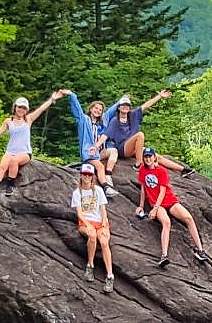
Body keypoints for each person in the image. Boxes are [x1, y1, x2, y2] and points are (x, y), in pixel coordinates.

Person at [0, 90, 64, 200]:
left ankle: (10, 185)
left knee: (13, 161)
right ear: (15, 107)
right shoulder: (9, 121)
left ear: (26, 110)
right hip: (10, 151)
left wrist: (52, 99)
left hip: (24, 152)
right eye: (19, 107)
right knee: (2, 166)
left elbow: (41, 109)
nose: (21, 110)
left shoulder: (28, 119)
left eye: (24, 108)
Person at [135, 147, 208, 265]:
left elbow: (163, 191)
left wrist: (155, 208)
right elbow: (143, 188)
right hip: (156, 204)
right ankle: (164, 255)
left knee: (188, 218)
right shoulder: (143, 170)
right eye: (146, 157)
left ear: (154, 158)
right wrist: (141, 206)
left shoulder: (161, 171)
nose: (148, 159)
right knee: (166, 222)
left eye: (150, 157)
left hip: (168, 200)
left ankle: (200, 250)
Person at [101, 89, 170, 184]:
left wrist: (160, 96)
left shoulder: (133, 115)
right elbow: (106, 135)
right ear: (119, 108)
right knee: (140, 135)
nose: (125, 107)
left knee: (155, 156)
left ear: (129, 108)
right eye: (123, 105)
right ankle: (139, 164)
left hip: (133, 148)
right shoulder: (114, 121)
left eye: (127, 105)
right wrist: (96, 146)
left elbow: (146, 105)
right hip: (122, 148)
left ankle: (183, 170)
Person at [72, 163, 115, 293]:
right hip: (85, 222)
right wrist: (87, 223)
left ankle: (109, 276)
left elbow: (103, 209)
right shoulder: (77, 192)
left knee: (103, 241)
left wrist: (104, 222)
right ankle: (90, 265)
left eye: (89, 175)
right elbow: (79, 213)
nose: (86, 177)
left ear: (92, 177)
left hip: (99, 222)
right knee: (92, 235)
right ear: (80, 175)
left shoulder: (98, 190)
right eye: (84, 174)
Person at [65, 92, 118, 195]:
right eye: (96, 108)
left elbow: (111, 111)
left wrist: (121, 101)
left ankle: (108, 174)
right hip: (89, 153)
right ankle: (106, 187)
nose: (98, 111)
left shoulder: (102, 122)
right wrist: (72, 95)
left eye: (100, 110)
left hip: (100, 152)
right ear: (91, 109)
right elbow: (77, 109)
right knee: (100, 166)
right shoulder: (84, 120)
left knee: (114, 151)